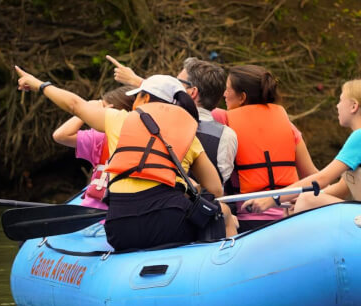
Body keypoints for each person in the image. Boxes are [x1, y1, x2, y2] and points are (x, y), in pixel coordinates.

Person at [15, 67, 235, 249]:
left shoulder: (118, 119)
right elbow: (215, 189)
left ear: (145, 97)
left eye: (136, 96)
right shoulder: (189, 136)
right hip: (169, 226)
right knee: (222, 212)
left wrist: (39, 84)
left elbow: (74, 104)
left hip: (119, 230)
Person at [241, 78, 361, 214]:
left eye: (340, 100)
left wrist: (273, 199)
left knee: (307, 200)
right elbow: (341, 189)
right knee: (304, 198)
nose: (337, 106)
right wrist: (294, 197)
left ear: (353, 106)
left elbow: (322, 178)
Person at [106, 55, 238, 186]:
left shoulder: (151, 123)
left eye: (177, 81)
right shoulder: (227, 136)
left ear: (192, 92)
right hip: (206, 198)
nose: (172, 84)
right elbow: (220, 181)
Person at [218, 64, 318, 231]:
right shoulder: (288, 126)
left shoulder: (224, 121)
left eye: (227, 89)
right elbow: (313, 174)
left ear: (242, 97)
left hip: (250, 220)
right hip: (290, 218)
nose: (224, 94)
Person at [51, 86, 135, 209]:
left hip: (103, 211)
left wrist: (86, 108)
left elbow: (61, 135)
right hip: (107, 211)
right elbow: (60, 136)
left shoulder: (100, 138)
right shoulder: (100, 138)